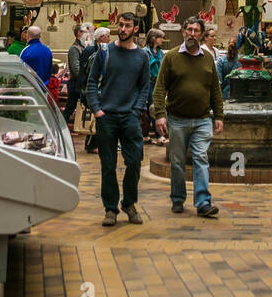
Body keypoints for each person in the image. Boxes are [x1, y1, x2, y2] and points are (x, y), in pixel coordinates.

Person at [152, 16, 223, 217]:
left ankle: (203, 202)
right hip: (177, 119)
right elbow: (159, 89)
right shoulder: (171, 57)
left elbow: (215, 90)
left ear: (201, 34)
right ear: (183, 32)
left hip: (202, 119)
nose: (192, 34)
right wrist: (160, 115)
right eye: (189, 30)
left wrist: (219, 115)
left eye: (196, 30)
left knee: (201, 157)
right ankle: (177, 198)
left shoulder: (208, 58)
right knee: (177, 162)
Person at [85, 12, 149, 227]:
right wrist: (96, 109)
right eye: (120, 25)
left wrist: (137, 109)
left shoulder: (142, 57)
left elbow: (145, 86)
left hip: (130, 116)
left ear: (135, 29)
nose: (122, 29)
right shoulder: (105, 53)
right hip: (107, 116)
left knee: (134, 161)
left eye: (127, 26)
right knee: (108, 165)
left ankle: (129, 203)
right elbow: (92, 82)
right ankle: (110, 208)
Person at [143, 27, 166, 142]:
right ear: (154, 39)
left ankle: (157, 135)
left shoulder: (160, 52)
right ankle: (149, 135)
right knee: (149, 110)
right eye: (160, 37)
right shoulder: (145, 52)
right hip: (148, 84)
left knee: (154, 108)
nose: (162, 40)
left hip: (158, 84)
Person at [63, 24, 86, 125]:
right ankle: (62, 126)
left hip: (80, 83)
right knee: (70, 108)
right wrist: (85, 79)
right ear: (79, 33)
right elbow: (75, 68)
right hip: (75, 84)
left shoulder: (82, 47)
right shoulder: (74, 49)